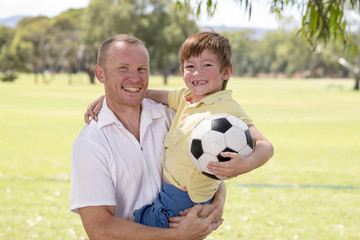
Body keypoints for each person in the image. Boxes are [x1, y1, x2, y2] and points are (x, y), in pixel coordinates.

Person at [85, 31, 274, 228]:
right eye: (189, 66)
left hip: (185, 199)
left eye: (207, 65)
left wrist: (244, 164)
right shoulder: (186, 98)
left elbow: (265, 145)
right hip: (170, 192)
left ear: (226, 72)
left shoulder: (226, 106)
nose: (197, 73)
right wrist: (107, 98)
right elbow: (144, 93)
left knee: (135, 228)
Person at [71, 34, 225, 240]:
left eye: (142, 69)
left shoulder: (173, 116)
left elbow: (209, 168)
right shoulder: (90, 143)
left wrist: (217, 206)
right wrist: (177, 235)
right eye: (123, 68)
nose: (135, 78)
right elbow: (100, 230)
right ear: (101, 74)